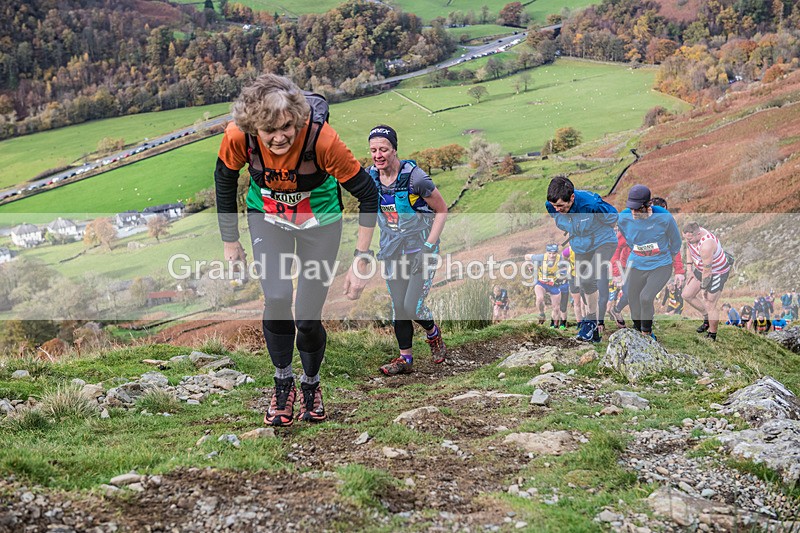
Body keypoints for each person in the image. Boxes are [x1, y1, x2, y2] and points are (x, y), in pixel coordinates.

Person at [214, 73, 379, 426]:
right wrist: (231, 241)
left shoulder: (323, 140)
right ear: (253, 126)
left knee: (306, 317)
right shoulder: (238, 136)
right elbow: (224, 179)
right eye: (269, 130)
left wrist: (361, 260)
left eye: (287, 126)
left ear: (298, 119)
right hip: (268, 219)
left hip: (319, 224)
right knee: (276, 297)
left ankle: (311, 384)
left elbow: (368, 194)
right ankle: (282, 383)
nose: (279, 137)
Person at [366, 125, 449, 376]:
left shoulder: (416, 179)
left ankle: (433, 334)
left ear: (394, 149)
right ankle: (405, 359)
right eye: (373, 150)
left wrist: (428, 247)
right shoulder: (370, 177)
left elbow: (442, 210)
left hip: (420, 249)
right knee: (398, 307)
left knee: (412, 306)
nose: (378, 155)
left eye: (383, 149)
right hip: (391, 251)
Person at [545, 177, 618, 342]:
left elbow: (613, 217)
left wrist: (594, 225)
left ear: (572, 198)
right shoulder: (551, 206)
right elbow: (560, 216)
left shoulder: (591, 204)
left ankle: (590, 322)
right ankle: (594, 330)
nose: (557, 209)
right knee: (584, 284)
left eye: (561, 206)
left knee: (588, 277)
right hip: (580, 246)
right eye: (554, 206)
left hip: (603, 242)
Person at [616, 185, 684, 340]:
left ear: (648, 206)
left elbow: (676, 242)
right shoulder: (624, 218)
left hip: (661, 265)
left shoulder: (664, 217)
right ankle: (639, 328)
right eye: (631, 209)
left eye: (637, 209)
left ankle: (647, 334)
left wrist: (674, 264)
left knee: (645, 298)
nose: (633, 213)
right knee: (632, 300)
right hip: (637, 263)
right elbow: (627, 238)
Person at [681, 221, 732, 342]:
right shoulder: (691, 235)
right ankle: (707, 318)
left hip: (717, 272)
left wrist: (704, 289)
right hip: (701, 268)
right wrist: (689, 269)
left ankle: (712, 335)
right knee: (687, 295)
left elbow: (707, 272)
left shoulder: (707, 245)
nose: (688, 240)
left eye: (690, 238)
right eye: (686, 238)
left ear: (698, 234)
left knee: (709, 302)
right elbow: (689, 248)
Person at [526, 243, 569, 329]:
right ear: (547, 252)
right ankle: (541, 313)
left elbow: (568, 267)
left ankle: (554, 326)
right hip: (541, 283)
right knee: (539, 298)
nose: (552, 255)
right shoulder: (541, 257)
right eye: (550, 253)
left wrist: (563, 274)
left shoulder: (560, 259)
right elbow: (526, 256)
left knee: (556, 308)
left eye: (554, 253)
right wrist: (530, 266)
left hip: (554, 285)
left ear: (557, 252)